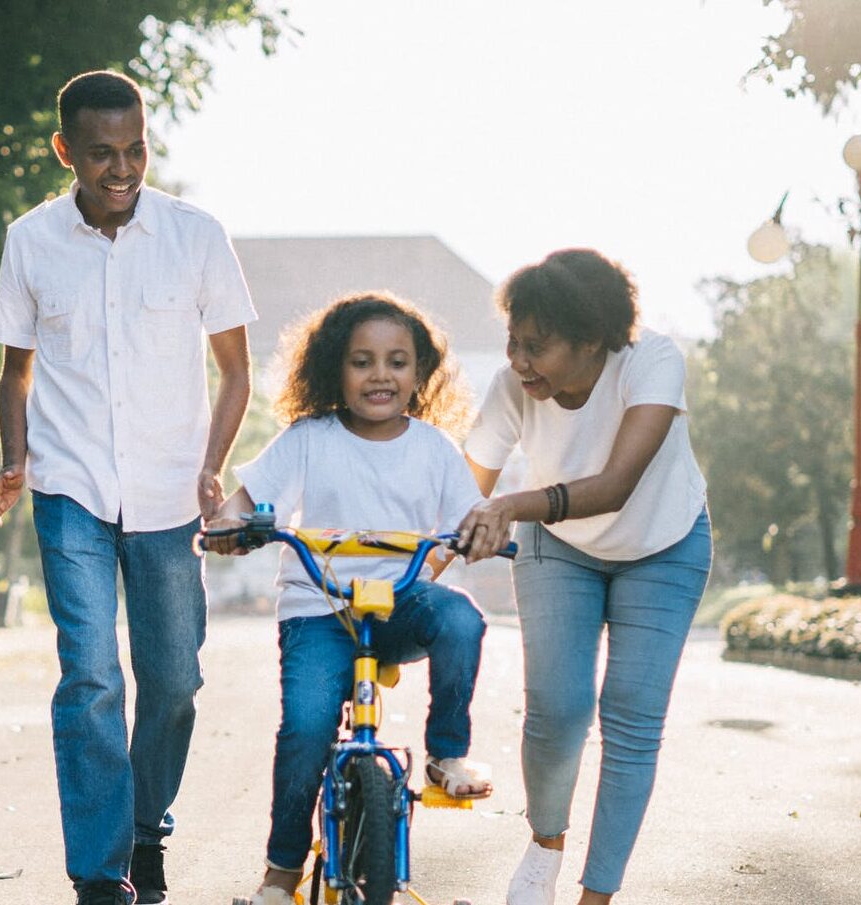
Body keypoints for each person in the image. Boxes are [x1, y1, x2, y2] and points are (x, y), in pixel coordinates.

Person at [0, 70, 256, 905]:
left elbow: (238, 372)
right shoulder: (31, 241)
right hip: (71, 490)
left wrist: (213, 462)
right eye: (101, 154)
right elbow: (13, 376)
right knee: (92, 676)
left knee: (173, 681)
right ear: (66, 151)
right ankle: (101, 873)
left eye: (135, 148)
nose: (123, 168)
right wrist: (15, 461)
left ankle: (145, 827)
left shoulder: (196, 234)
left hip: (171, 495)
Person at [205, 292, 492, 905]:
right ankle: (281, 874)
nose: (380, 375)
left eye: (397, 361)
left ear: (420, 374)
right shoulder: (309, 438)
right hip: (319, 609)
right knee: (307, 727)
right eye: (362, 361)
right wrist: (231, 526)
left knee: (462, 618)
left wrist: (485, 530)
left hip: (399, 603)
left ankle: (446, 754)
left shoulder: (435, 448)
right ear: (335, 368)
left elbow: (472, 518)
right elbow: (245, 500)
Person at [455, 249, 712, 905]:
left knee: (631, 714)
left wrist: (509, 505)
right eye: (513, 341)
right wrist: (411, 567)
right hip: (558, 546)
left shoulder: (652, 360)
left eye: (536, 346)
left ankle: (596, 896)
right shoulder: (514, 386)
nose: (518, 361)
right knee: (558, 707)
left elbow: (617, 485)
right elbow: (463, 491)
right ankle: (545, 845)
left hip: (664, 544)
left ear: (593, 337)